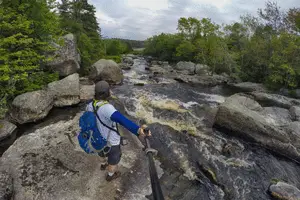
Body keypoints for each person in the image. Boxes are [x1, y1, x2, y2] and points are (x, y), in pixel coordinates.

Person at [86, 80, 150, 182]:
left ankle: (103, 165)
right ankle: (111, 175)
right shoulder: (107, 108)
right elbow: (122, 120)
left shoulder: (90, 105)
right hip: (111, 142)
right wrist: (138, 130)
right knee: (113, 161)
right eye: (109, 90)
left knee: (101, 153)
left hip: (97, 138)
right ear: (107, 93)